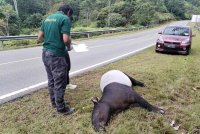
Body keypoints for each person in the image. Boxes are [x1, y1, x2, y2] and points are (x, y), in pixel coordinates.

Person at [38, 4, 75, 115]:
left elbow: (40, 38)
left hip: (45, 53)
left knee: (52, 81)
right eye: (71, 15)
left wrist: (51, 40)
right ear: (68, 12)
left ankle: (54, 102)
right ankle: (61, 109)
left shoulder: (47, 18)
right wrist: (69, 46)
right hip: (57, 55)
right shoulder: (65, 19)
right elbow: (66, 39)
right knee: (60, 82)